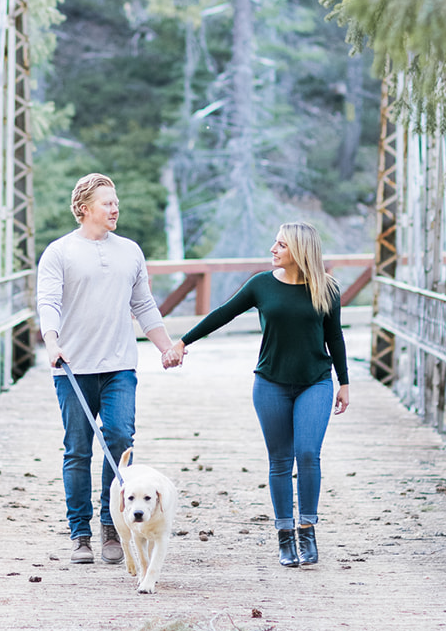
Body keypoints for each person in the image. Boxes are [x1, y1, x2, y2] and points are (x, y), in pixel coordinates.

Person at [166, 221, 349, 568]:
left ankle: (307, 530)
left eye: (280, 245)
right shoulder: (261, 285)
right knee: (280, 461)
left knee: (308, 453)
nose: (273, 249)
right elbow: (222, 314)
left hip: (316, 382)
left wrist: (344, 382)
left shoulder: (327, 289)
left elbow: (335, 337)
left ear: (299, 251)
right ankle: (285, 537)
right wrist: (183, 341)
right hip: (271, 384)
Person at [38, 172, 178, 566]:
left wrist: (166, 346)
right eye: (107, 203)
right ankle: (80, 533)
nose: (115, 208)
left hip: (119, 365)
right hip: (72, 367)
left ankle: (111, 525)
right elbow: (47, 302)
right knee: (78, 450)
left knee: (119, 441)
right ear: (84, 209)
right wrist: (52, 341)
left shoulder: (130, 251)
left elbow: (144, 305)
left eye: (116, 202)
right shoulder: (59, 252)